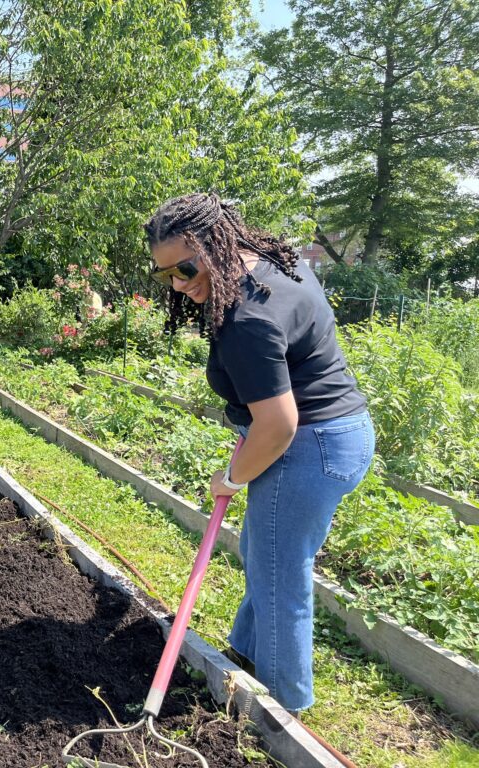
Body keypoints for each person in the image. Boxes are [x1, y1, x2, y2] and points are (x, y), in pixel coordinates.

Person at [144, 193, 374, 715]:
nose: (178, 284)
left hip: (306, 448)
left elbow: (279, 425)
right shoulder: (278, 264)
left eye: (185, 268)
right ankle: (246, 653)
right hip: (345, 433)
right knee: (264, 551)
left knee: (279, 578)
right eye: (166, 276)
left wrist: (231, 477)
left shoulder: (247, 317)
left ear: (216, 244)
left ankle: (282, 711)